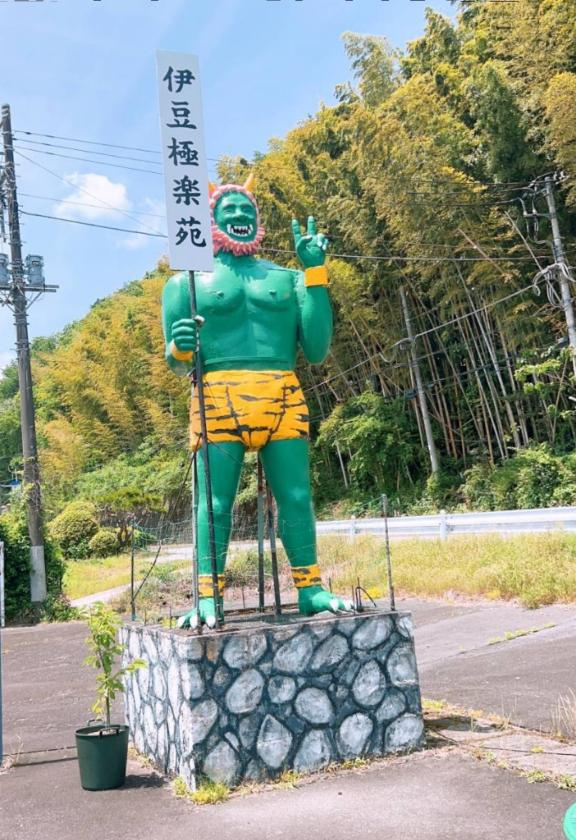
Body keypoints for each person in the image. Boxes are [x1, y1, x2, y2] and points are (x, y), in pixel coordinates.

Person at [162, 175, 352, 628]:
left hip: (281, 389)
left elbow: (317, 348)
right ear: (210, 218)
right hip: (216, 392)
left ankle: (310, 588)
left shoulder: (288, 279)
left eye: (247, 210)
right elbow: (176, 360)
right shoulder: (185, 283)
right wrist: (180, 347)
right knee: (214, 502)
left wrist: (315, 272)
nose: (240, 216)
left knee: (297, 495)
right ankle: (208, 596)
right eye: (229, 210)